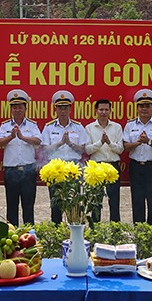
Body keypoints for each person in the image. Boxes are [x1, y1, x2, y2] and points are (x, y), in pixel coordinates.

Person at [41, 90, 90, 224]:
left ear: (70, 109)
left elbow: (83, 150)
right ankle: (56, 231)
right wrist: (60, 143)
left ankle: (74, 233)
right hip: (55, 169)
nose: (63, 111)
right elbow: (45, 150)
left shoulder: (78, 127)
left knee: (74, 204)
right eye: (60, 108)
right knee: (56, 204)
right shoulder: (49, 127)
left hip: (73, 168)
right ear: (55, 109)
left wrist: (70, 143)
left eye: (65, 108)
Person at [0, 89, 41, 226]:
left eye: (20, 107)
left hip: (28, 170)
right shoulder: (5, 125)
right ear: (11, 109)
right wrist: (11, 136)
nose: (17, 110)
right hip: (11, 171)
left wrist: (22, 137)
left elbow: (38, 141)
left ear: (25, 108)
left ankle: (29, 237)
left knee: (28, 206)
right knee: (11, 206)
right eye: (14, 107)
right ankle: (12, 237)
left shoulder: (32, 125)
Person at [123, 89, 152, 225]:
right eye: (141, 106)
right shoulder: (130, 125)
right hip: (136, 167)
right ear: (137, 108)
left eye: (147, 106)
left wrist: (148, 141)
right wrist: (137, 142)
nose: (144, 109)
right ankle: (139, 235)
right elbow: (125, 147)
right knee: (137, 201)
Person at [84, 98, 124, 222]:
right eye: (101, 109)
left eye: (106, 109)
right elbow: (88, 150)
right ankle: (96, 229)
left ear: (110, 111)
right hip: (96, 167)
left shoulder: (116, 127)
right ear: (96, 110)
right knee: (96, 202)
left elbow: (120, 149)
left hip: (113, 166)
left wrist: (109, 143)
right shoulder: (89, 128)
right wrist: (100, 142)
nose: (104, 112)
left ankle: (115, 230)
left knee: (114, 201)